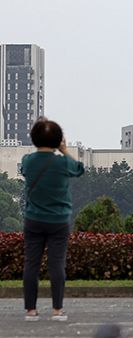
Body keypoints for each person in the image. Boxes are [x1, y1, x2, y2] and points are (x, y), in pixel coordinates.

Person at [21, 118, 84, 321]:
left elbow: (23, 171)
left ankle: (31, 310)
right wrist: (64, 150)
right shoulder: (63, 162)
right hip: (58, 221)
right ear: (58, 139)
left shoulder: (27, 161)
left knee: (31, 264)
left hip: (33, 219)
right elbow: (79, 169)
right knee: (56, 265)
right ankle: (57, 310)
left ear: (33, 139)